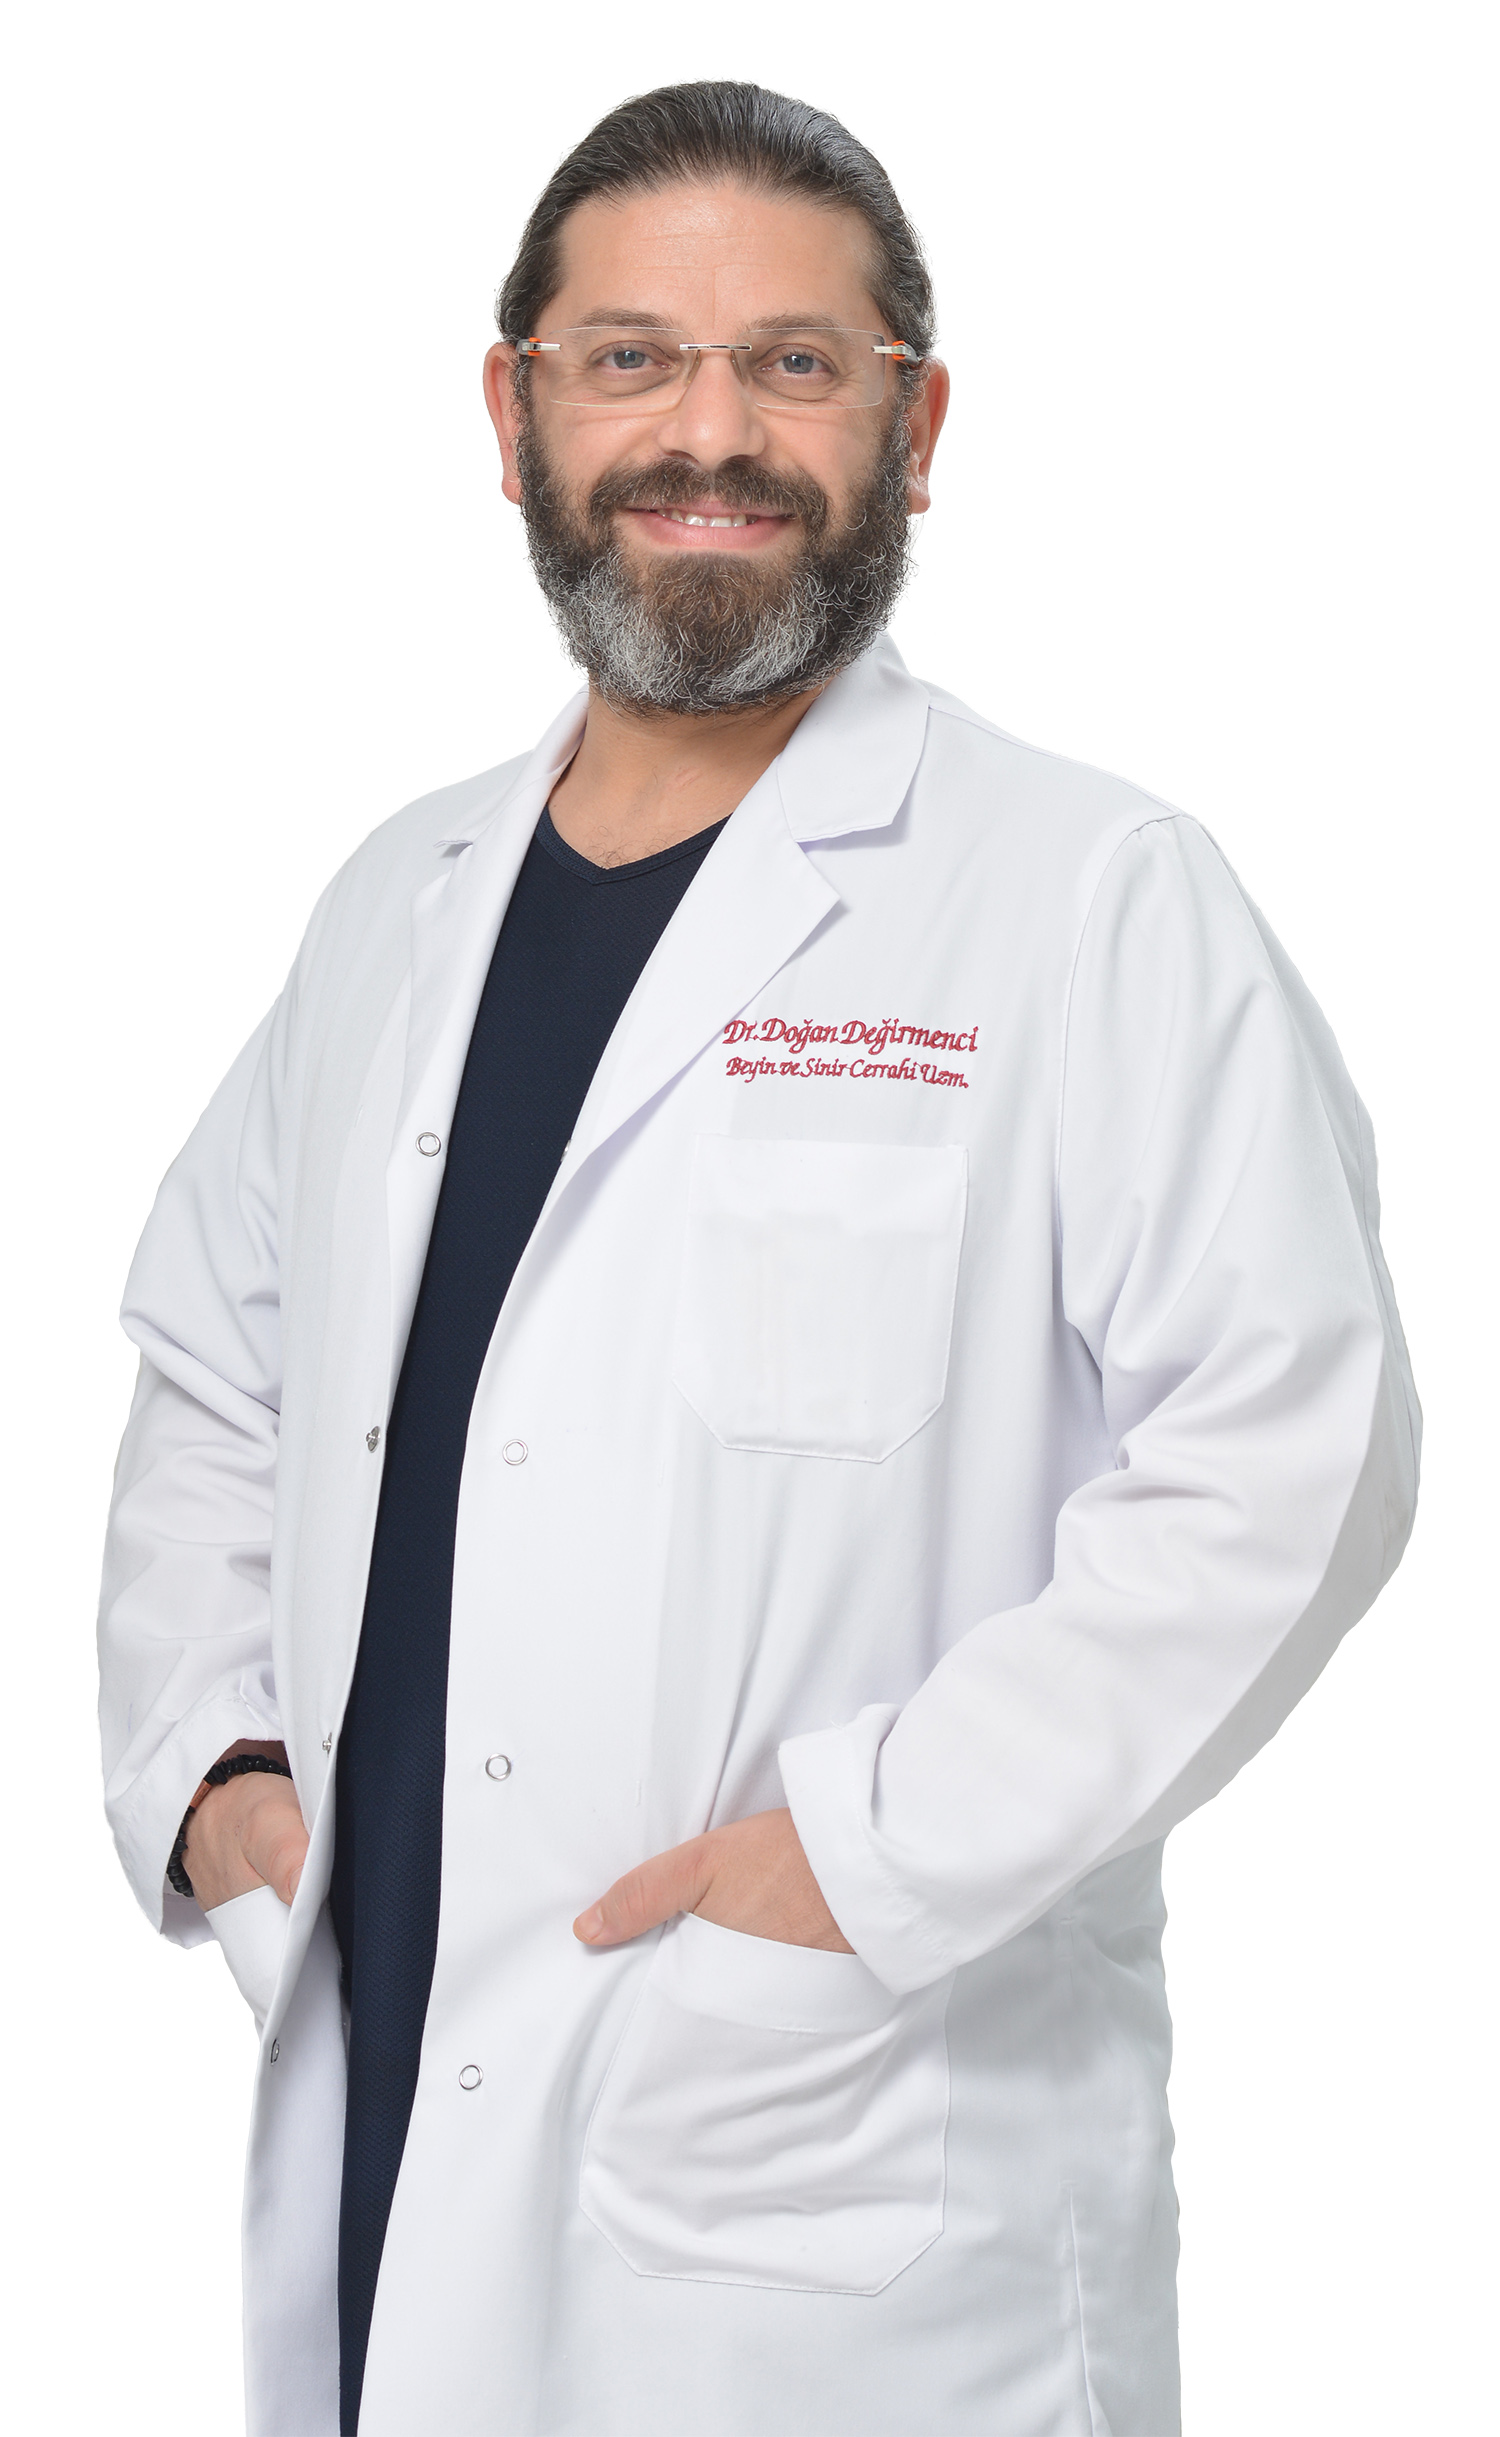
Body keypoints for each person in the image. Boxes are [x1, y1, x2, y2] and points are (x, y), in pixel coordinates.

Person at [97, 78, 1419, 2437]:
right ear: (512, 411)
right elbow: (217, 1362)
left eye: (796, 365)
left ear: (919, 422)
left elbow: (1297, 1456)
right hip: (395, 2094)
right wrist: (216, 1759)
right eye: (629, 359)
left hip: (840, 2192)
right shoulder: (396, 903)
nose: (709, 435)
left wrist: (878, 1847)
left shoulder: (1085, 895)